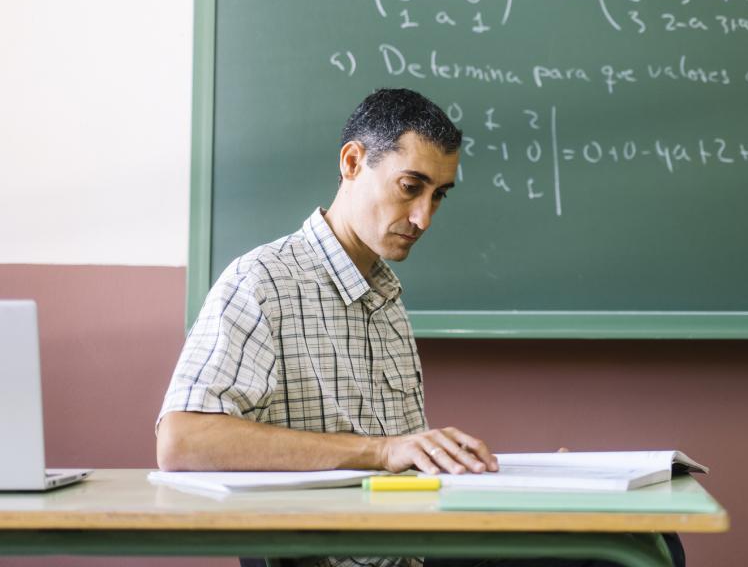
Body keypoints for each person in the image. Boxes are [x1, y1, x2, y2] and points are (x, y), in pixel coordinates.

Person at [156, 88, 684, 567]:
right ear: (353, 162)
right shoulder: (263, 281)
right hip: (353, 558)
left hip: (414, 544)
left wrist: (538, 478)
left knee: (645, 538)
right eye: (411, 188)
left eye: (439, 196)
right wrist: (381, 450)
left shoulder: (385, 297)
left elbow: (408, 470)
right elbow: (182, 442)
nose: (424, 217)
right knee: (614, 557)